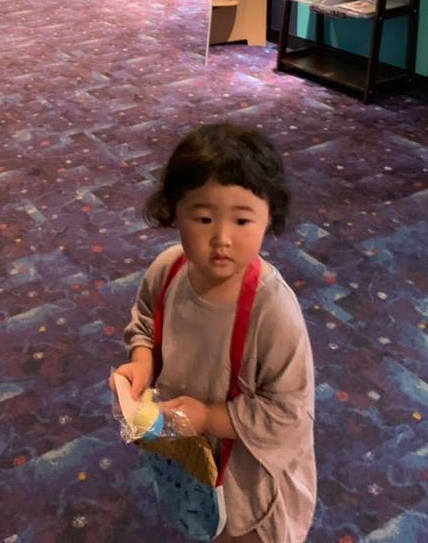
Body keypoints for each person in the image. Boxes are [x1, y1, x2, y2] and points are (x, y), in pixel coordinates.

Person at [112, 122, 316, 543]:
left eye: (242, 220)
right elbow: (146, 319)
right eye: (204, 218)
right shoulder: (167, 270)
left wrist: (208, 418)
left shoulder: (273, 311)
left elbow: (288, 415)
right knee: (201, 519)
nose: (222, 238)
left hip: (250, 474)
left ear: (269, 217)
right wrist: (142, 361)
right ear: (174, 212)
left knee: (237, 531)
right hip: (190, 454)